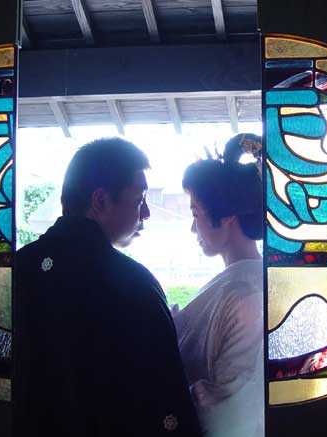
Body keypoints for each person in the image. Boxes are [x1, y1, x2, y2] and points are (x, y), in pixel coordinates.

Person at [14, 137, 202, 436]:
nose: (146, 213)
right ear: (100, 201)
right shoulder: (132, 283)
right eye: (139, 200)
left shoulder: (18, 269)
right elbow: (166, 397)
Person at [173, 133, 266, 436]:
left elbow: (231, 416)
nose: (193, 228)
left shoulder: (248, 297)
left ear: (226, 216)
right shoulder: (240, 284)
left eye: (196, 213)